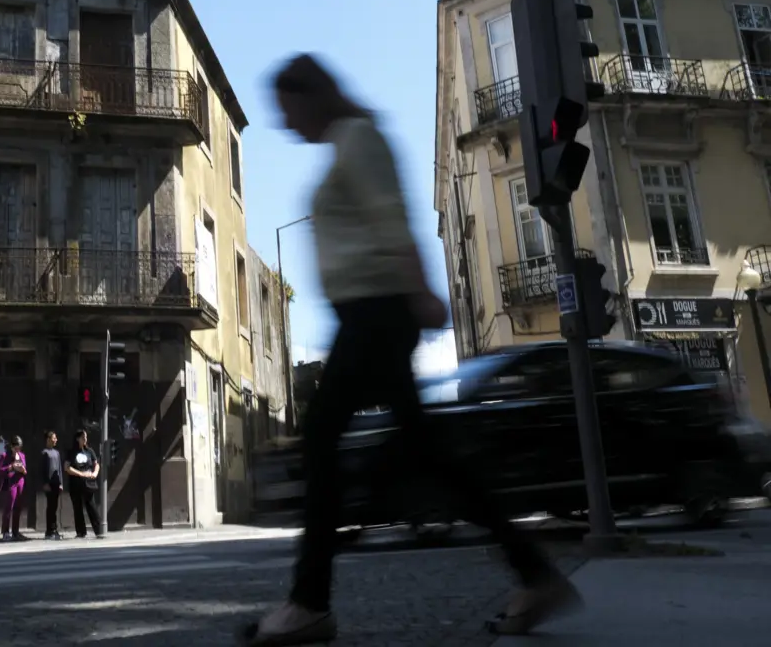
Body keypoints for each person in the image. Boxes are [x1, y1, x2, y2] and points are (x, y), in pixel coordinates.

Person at [238, 54, 581, 646]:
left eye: (288, 109)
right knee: (428, 454)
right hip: (371, 313)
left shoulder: (359, 139)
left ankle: (309, 602)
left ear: (312, 95)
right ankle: (534, 572)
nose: (286, 124)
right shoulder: (349, 141)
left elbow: (390, 220)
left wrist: (421, 289)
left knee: (322, 439)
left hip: (378, 311)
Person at [63, 429, 103, 539]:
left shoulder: (90, 451)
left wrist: (95, 473)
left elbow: (96, 464)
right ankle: (81, 532)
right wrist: (81, 474)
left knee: (91, 506)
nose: (85, 439)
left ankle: (99, 531)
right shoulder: (71, 452)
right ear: (77, 439)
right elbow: (67, 467)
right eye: (83, 437)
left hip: (88, 484)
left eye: (86, 437)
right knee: (77, 507)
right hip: (75, 483)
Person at [0, 435, 28, 541]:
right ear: (11, 446)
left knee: (18, 507)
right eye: (16, 448)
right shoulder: (5, 455)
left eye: (19, 448)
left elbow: (25, 470)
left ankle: (15, 532)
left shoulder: (22, 455)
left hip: (20, 481)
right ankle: (6, 532)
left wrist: (22, 469)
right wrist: (11, 467)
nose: (17, 450)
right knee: (9, 507)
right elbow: (1, 470)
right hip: (10, 483)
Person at [41, 430, 65, 540]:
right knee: (50, 507)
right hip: (49, 484)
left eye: (56, 438)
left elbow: (59, 469)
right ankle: (49, 531)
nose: (56, 440)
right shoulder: (44, 453)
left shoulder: (57, 453)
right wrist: (45, 483)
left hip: (56, 483)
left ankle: (54, 529)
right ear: (48, 439)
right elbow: (42, 470)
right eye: (53, 438)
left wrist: (61, 483)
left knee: (54, 507)